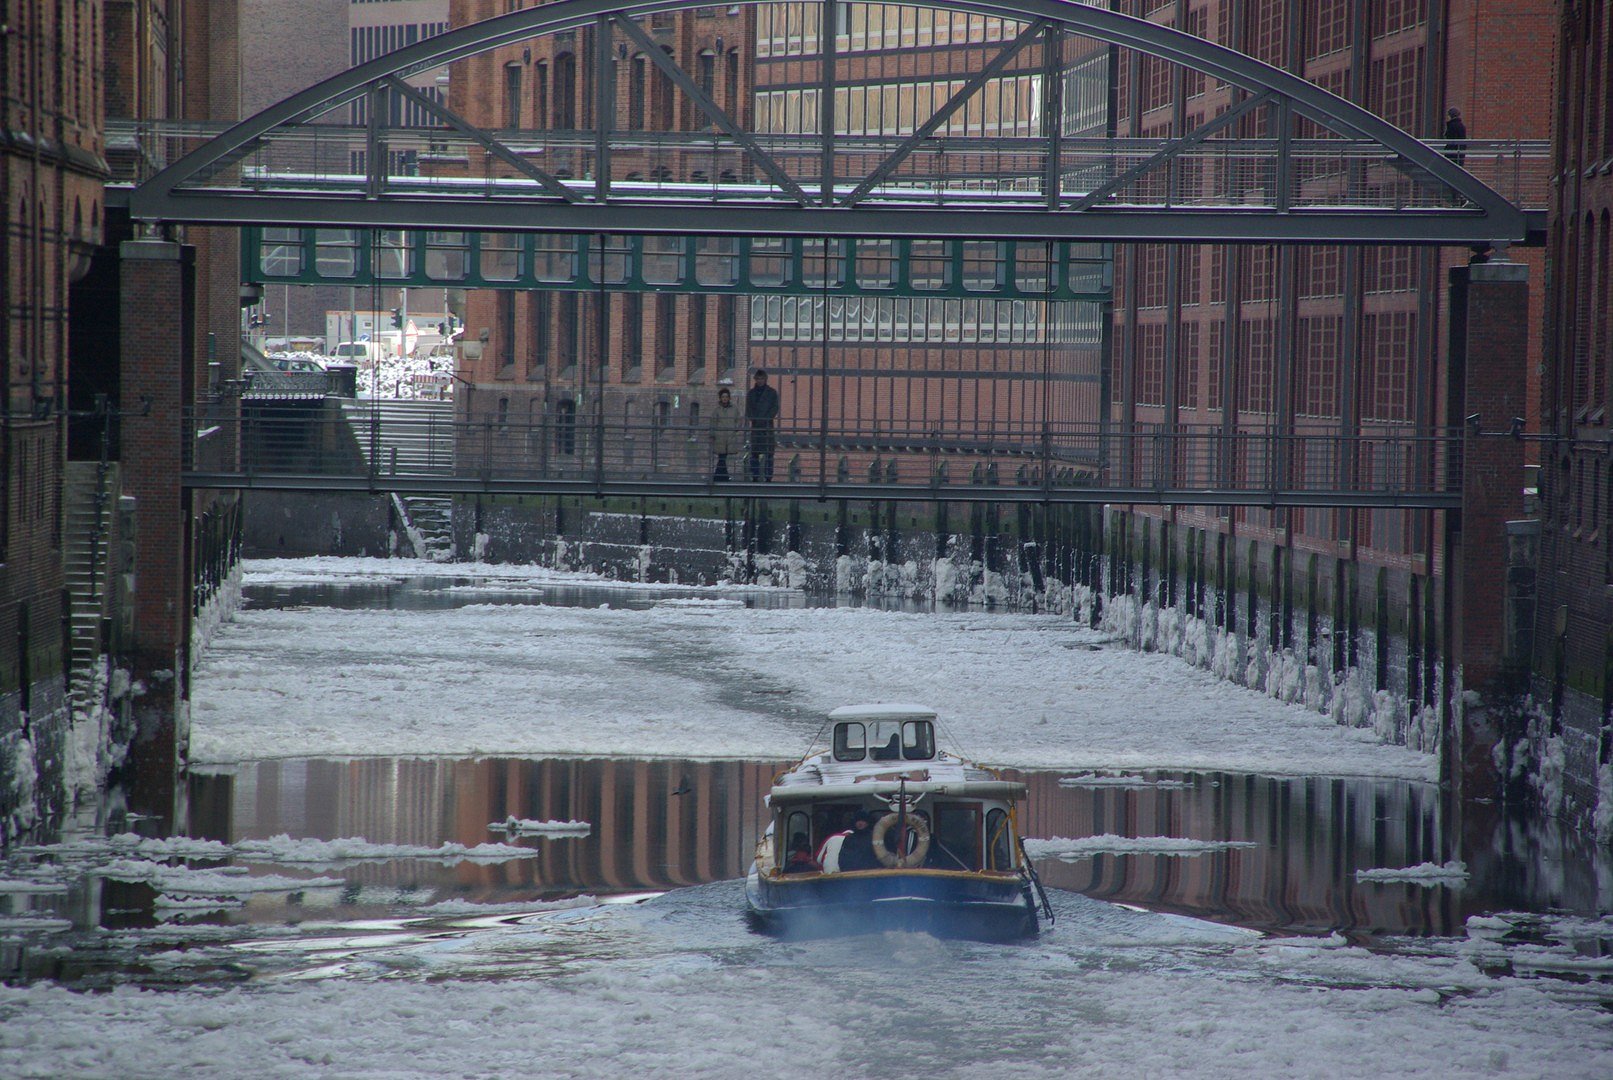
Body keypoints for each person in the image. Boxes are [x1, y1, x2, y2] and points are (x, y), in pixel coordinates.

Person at [744, 368, 780, 481]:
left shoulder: (772, 393)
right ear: (755, 379)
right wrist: (754, 419)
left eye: (762, 378)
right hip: (756, 427)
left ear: (765, 379)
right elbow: (748, 409)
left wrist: (765, 419)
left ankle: (768, 477)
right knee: (754, 453)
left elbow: (774, 408)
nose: (760, 381)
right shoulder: (751, 393)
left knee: (769, 453)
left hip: (767, 427)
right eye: (758, 378)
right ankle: (755, 476)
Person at [708, 384, 741, 482]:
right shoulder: (717, 410)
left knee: (722, 458)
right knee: (722, 457)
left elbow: (738, 420)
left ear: (729, 398)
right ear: (720, 398)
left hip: (729, 436)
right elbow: (713, 422)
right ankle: (723, 477)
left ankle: (719, 476)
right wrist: (712, 434)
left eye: (726, 397)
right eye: (723, 397)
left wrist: (735, 429)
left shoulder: (734, 409)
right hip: (720, 437)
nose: (725, 399)